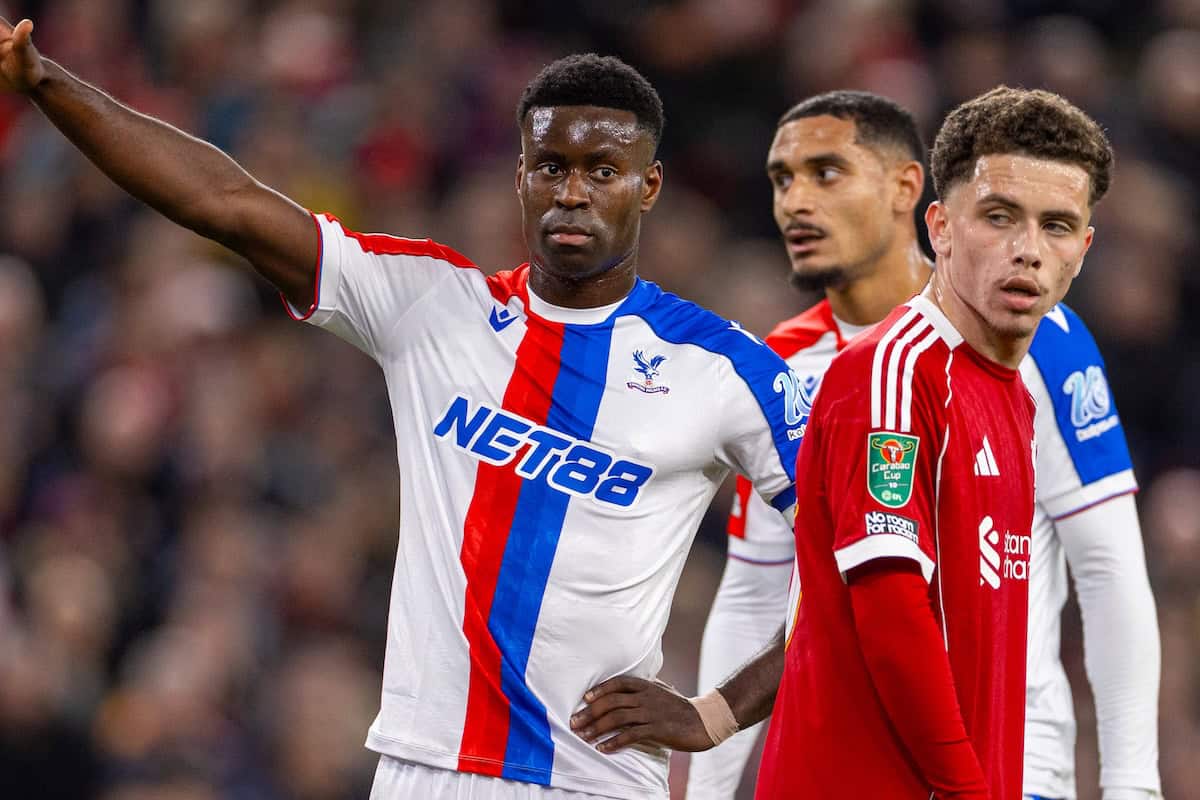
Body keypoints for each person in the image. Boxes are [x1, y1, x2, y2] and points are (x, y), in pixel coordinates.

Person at [0, 19, 805, 800]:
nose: (572, 193)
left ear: (649, 185)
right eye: (551, 166)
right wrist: (48, 83)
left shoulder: (724, 368)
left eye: (603, 171)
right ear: (518, 177)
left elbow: (855, 557)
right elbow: (227, 204)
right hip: (422, 767)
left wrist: (717, 712)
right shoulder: (432, 305)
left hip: (594, 780)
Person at [572, 86, 1122, 799]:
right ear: (940, 226)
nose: (1027, 251)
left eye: (1056, 226)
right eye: (999, 217)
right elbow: (889, 612)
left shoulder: (1007, 395)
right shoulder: (889, 374)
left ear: (1082, 248)